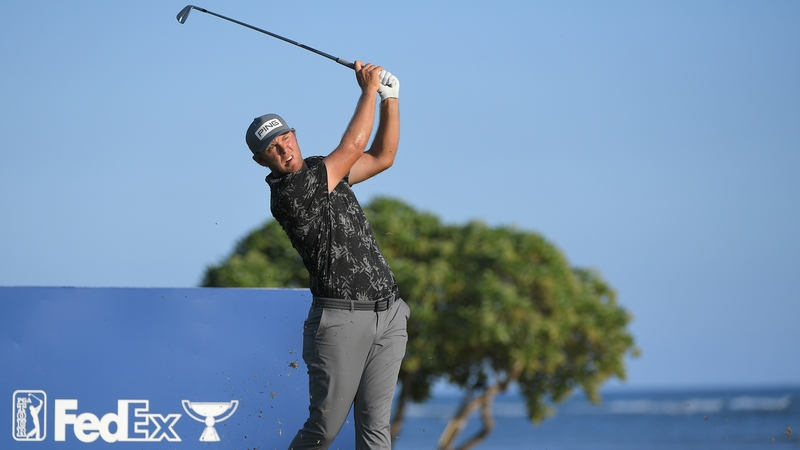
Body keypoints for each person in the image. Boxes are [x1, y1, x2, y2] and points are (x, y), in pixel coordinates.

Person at [245, 61, 409, 450]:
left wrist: (391, 98)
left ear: (294, 135)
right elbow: (353, 147)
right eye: (272, 148)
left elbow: (382, 156)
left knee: (375, 431)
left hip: (388, 314)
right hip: (340, 321)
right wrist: (368, 89)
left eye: (285, 138)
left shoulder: (324, 169)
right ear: (261, 161)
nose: (283, 149)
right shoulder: (289, 194)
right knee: (325, 430)